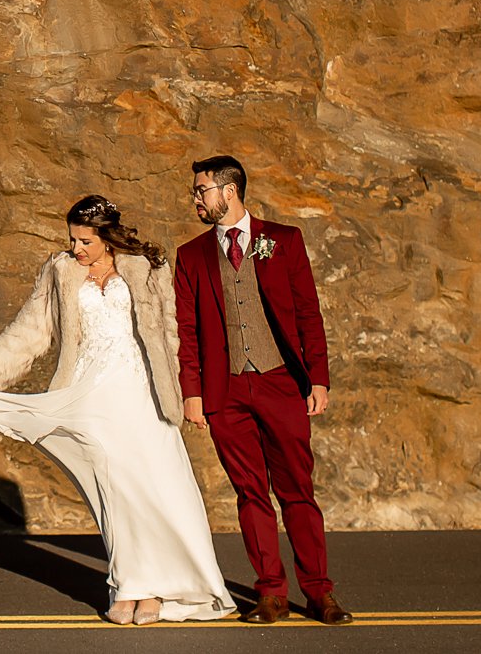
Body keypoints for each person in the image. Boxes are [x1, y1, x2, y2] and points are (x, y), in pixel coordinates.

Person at [0, 195, 235, 625]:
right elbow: (30, 331)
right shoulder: (61, 271)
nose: (76, 248)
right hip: (90, 394)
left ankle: (157, 590)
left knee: (158, 489)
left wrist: (188, 392)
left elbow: (173, 332)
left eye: (84, 240)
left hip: (144, 395)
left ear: (106, 235)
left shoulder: (147, 267)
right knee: (114, 492)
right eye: (72, 239)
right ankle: (129, 585)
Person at [175, 154, 354, 626]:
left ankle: (319, 593)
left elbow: (308, 312)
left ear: (228, 192)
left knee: (298, 491)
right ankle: (271, 593)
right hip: (225, 389)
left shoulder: (283, 240)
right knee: (250, 494)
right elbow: (187, 330)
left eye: (201, 190)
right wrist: (192, 392)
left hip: (280, 381)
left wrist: (318, 377)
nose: (195, 198)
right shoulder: (191, 255)